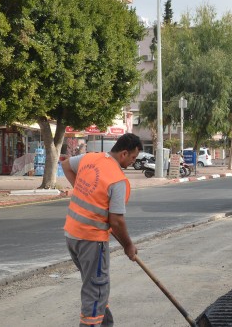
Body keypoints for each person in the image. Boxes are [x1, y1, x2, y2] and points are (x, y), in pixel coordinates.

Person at [62, 133, 142, 326]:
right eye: (133, 158)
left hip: (72, 235)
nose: (133, 162)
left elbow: (66, 165)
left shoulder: (91, 157)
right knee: (95, 290)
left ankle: (106, 323)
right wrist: (128, 246)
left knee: (94, 285)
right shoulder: (117, 180)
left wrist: (83, 191)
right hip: (91, 241)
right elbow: (116, 221)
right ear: (124, 153)